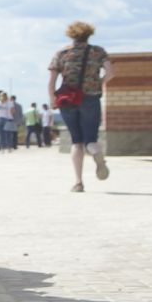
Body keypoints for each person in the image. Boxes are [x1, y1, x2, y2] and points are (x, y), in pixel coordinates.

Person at [49, 21, 110, 192]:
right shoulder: (98, 52)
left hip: (68, 100)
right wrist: (99, 83)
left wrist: (53, 98)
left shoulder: (61, 53)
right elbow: (111, 72)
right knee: (90, 139)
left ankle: (78, 182)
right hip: (90, 98)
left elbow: (52, 80)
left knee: (76, 142)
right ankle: (96, 154)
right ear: (89, 34)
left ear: (71, 35)